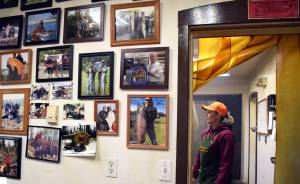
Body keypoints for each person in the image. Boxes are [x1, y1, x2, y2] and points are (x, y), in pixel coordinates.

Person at [193, 101, 235, 184]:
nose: (206, 115)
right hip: (203, 179)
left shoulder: (226, 135)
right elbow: (200, 155)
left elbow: (225, 166)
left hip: (217, 181)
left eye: (209, 112)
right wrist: (194, 174)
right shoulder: (205, 133)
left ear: (218, 115)